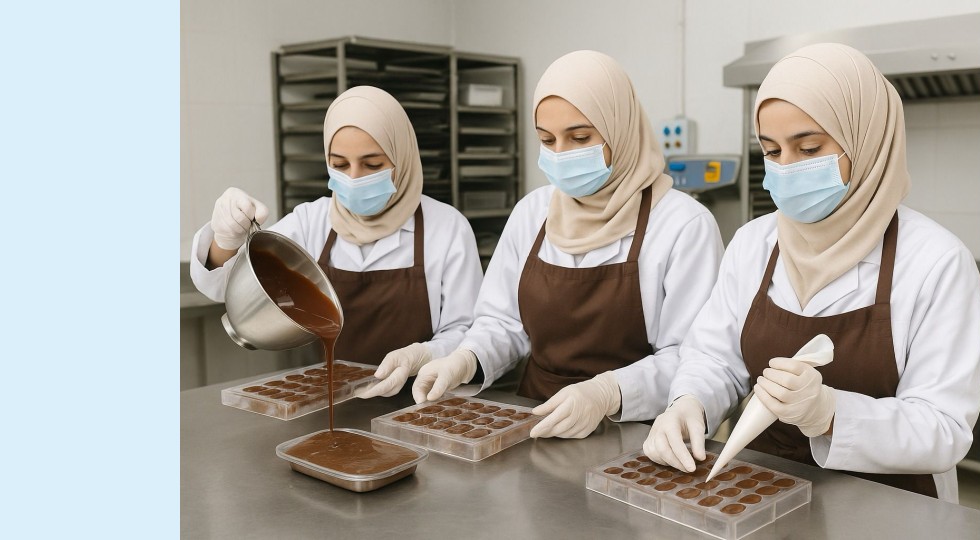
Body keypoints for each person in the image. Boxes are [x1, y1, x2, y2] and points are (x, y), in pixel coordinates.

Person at [642, 43, 980, 503]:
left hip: (890, 507)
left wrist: (830, 413)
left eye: (808, 148)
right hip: (762, 492)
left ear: (864, 142)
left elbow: (944, 429)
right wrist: (690, 403)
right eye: (772, 150)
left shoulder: (935, 261)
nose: (786, 169)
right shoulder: (754, 243)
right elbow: (715, 358)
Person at [410, 50, 724, 439]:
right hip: (534, 420)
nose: (561, 155)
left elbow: (690, 356)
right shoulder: (532, 212)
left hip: (637, 434)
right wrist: (466, 358)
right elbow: (504, 323)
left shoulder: (682, 224)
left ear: (620, 129)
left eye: (580, 138)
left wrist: (607, 392)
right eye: (547, 140)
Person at [190, 86, 483, 397]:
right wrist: (226, 239)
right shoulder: (310, 222)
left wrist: (423, 355)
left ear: (402, 158)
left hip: (423, 402)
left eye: (372, 165)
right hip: (329, 402)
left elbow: (468, 332)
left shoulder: (446, 228)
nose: (354, 178)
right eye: (340, 165)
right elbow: (224, 289)